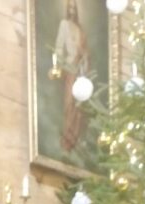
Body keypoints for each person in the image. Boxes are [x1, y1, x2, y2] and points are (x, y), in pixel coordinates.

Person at [55, 0, 90, 152]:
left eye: (74, 8)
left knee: (79, 106)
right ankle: (67, 138)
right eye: (69, 8)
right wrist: (60, 64)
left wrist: (84, 60)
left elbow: (85, 53)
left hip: (80, 70)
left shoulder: (80, 29)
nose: (72, 11)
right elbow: (58, 47)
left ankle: (75, 139)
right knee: (69, 103)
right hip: (70, 68)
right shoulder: (64, 24)